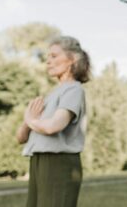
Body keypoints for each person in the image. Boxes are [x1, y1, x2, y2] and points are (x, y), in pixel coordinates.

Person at [16, 36, 90, 207]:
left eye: (54, 56)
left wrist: (30, 120)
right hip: (38, 161)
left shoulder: (74, 90)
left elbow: (53, 127)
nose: (48, 61)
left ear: (72, 59)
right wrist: (28, 121)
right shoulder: (52, 94)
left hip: (59, 163)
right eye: (47, 57)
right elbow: (21, 138)